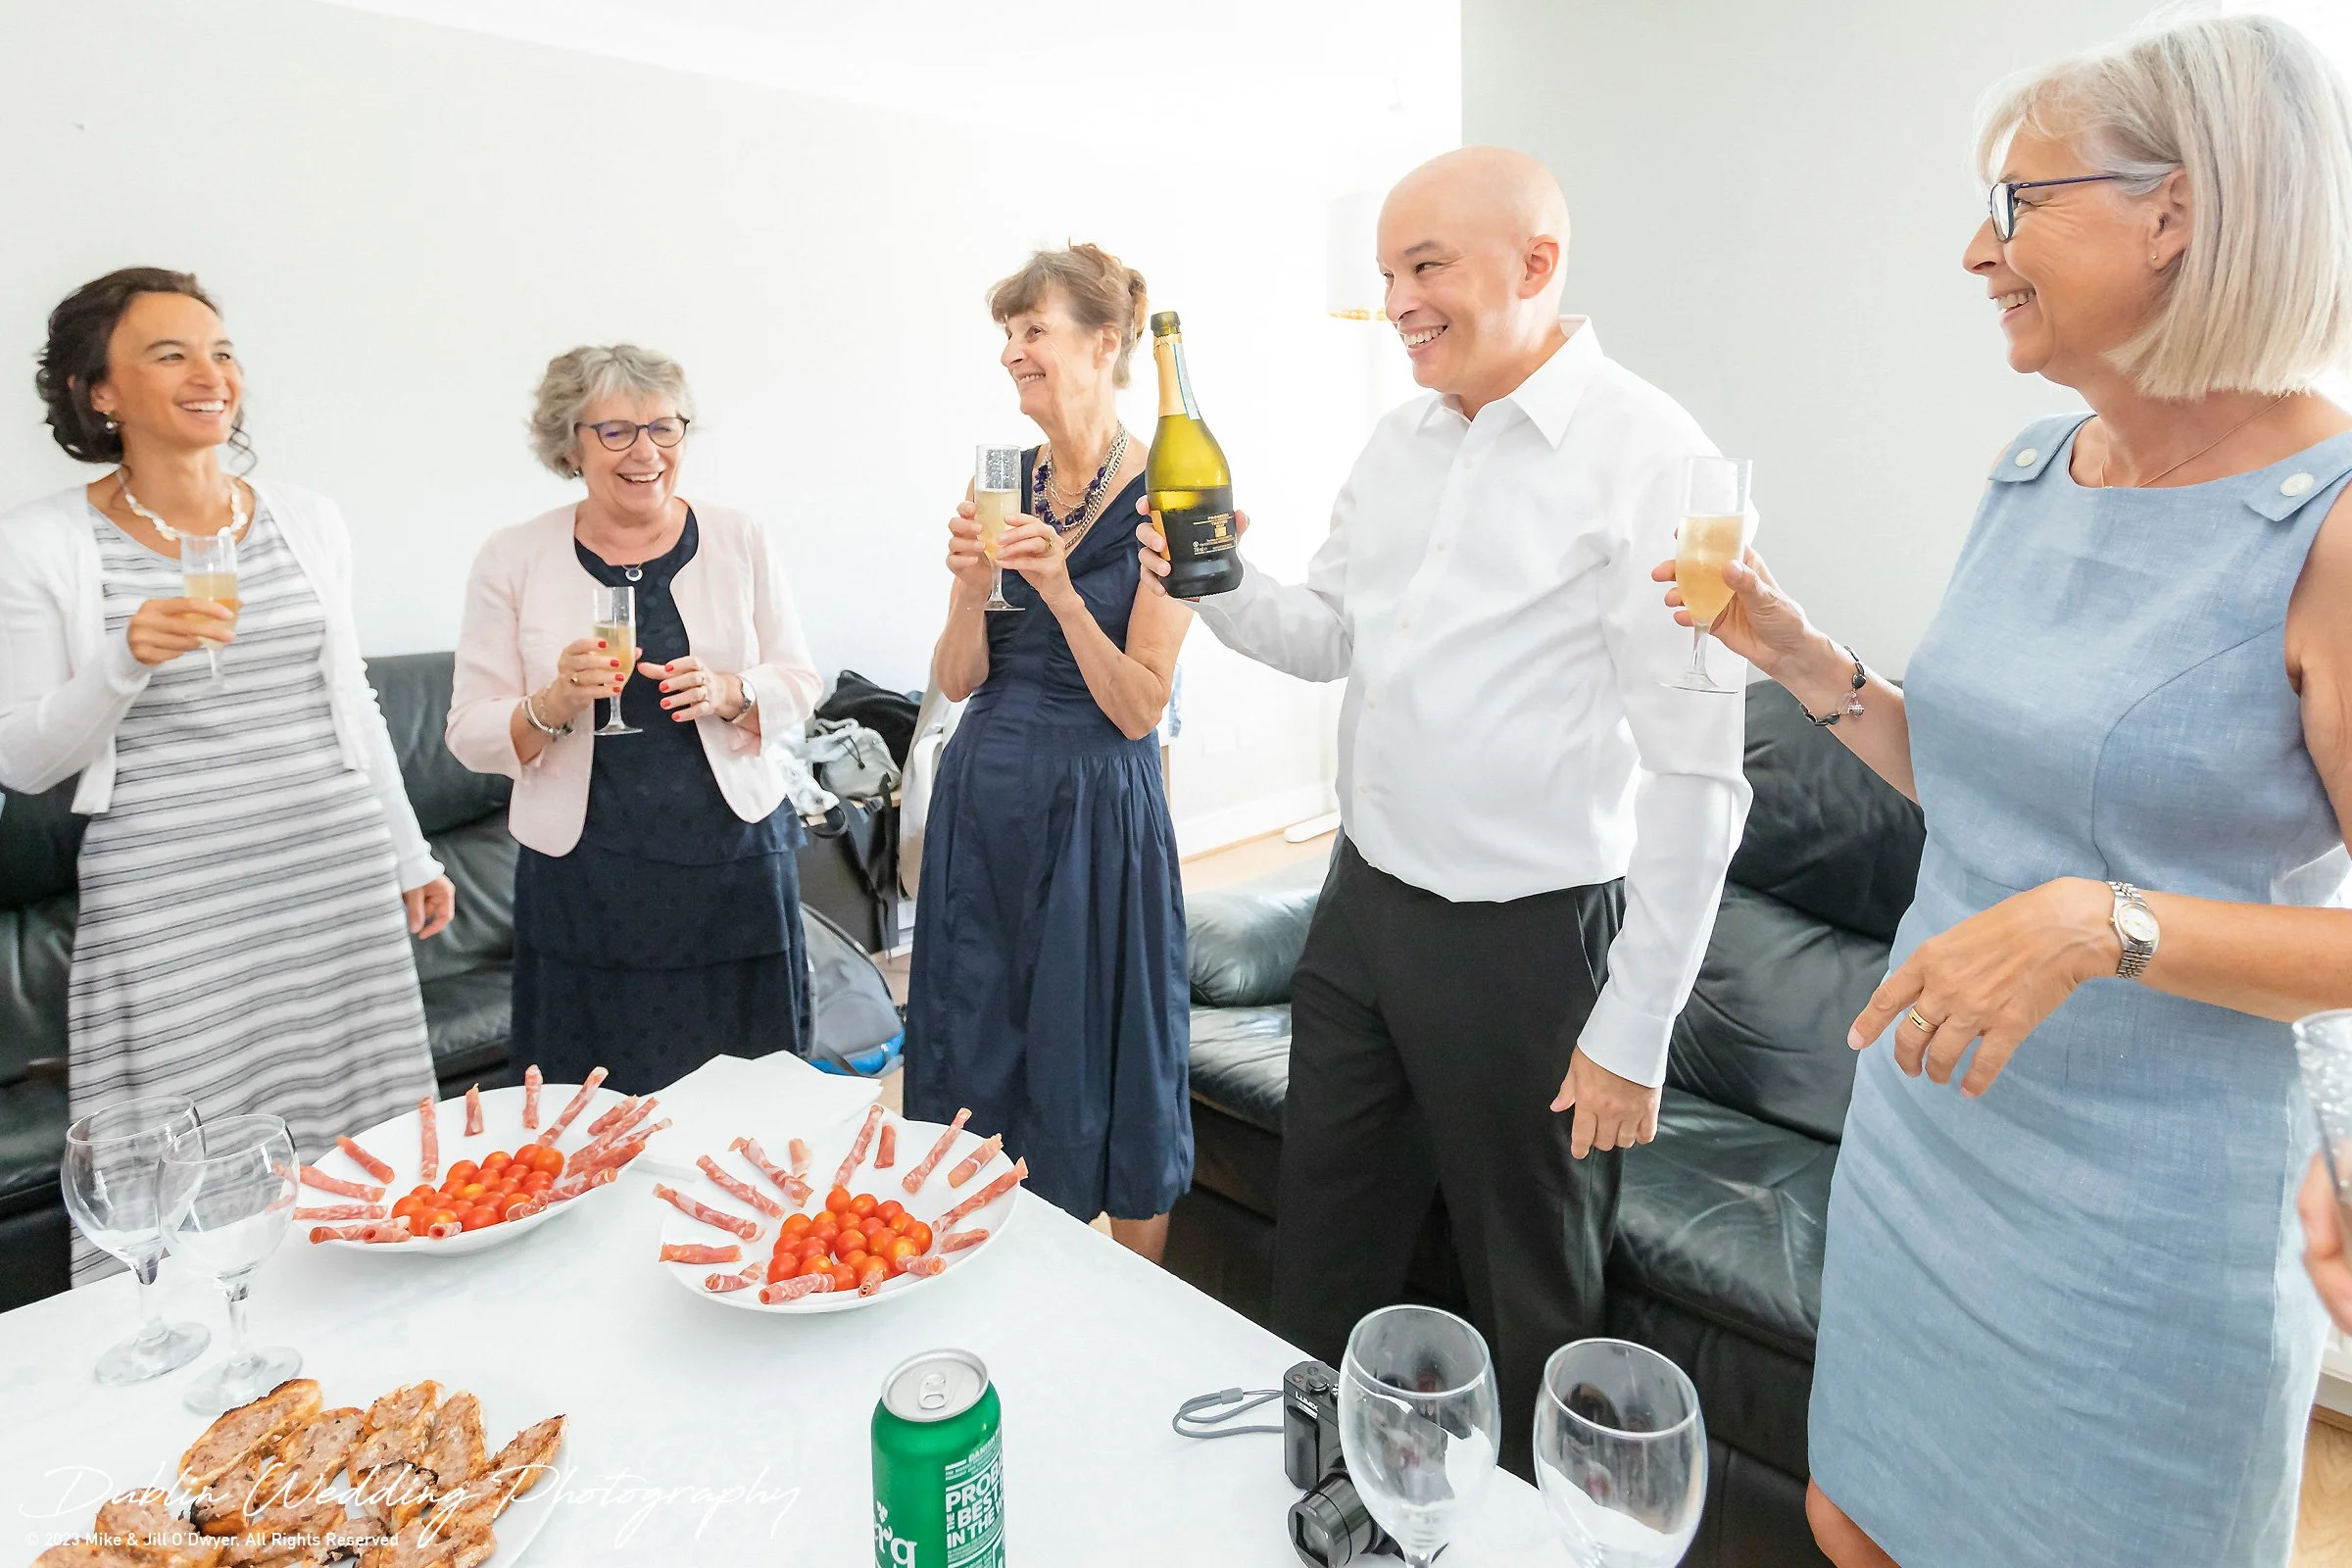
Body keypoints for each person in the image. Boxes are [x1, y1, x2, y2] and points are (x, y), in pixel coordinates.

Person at [1658, 16, 2352, 1565]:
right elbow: (1981, 791)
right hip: (1930, 1136)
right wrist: (1802, 657)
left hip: (2148, 1220)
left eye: (2020, 203)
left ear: (2176, 213)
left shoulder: (2331, 529)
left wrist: (2108, 924)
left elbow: (2110, 901)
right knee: (1852, 1517)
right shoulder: (2036, 470)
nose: (1980, 251)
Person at [1138, 150, 1749, 1473]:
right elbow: (1327, 636)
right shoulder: (1397, 441)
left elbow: (1701, 772)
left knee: (1532, 1288)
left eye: (1426, 267)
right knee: (1326, 1242)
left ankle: (1532, 1536)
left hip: (1528, 945)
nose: (1398, 303)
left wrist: (1635, 1026)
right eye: (1386, 274)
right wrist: (1211, 578)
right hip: (1363, 910)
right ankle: (1318, 1496)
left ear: (1537, 266)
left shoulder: (1655, 456)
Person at [0, 269, 452, 1277]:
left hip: (332, 874)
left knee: (367, 1151)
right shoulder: (38, 544)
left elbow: (352, 700)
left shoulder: (306, 517)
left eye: (221, 353)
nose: (211, 376)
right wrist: (122, 660)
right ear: (98, 391)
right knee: (180, 1163)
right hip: (174, 901)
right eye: (170, 355)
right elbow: (24, 761)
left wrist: (409, 853)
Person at [904, 245, 1192, 1262]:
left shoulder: (1169, 491)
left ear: (1105, 343)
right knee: (978, 1037)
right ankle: (985, 1268)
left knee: (1109, 1050)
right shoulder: (998, 478)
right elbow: (959, 678)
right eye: (1007, 334)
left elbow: (1140, 707)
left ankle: (1137, 1304)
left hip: (1097, 817)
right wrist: (966, 588)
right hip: (984, 804)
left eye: (1034, 330)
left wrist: (1062, 593)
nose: (1012, 353)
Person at [448, 345, 820, 1094]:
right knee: (591, 1103)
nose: (645, 451)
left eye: (663, 428)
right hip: (586, 877)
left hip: (732, 865)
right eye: (616, 431)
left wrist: (732, 692)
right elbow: (468, 732)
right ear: (570, 444)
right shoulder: (513, 556)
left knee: (750, 1096)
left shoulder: (739, 537)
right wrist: (552, 703)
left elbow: (800, 682)